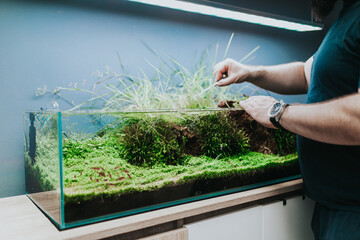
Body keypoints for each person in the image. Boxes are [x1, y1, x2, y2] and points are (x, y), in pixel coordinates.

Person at [213, 0, 360, 239]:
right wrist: (250, 72)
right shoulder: (348, 17)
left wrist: (279, 113)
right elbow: (306, 72)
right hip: (332, 207)